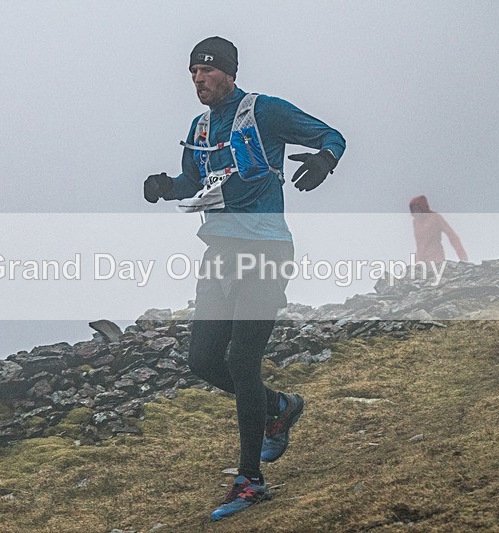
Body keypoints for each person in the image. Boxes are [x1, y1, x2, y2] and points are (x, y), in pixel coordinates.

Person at [143, 36, 345, 521]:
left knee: (241, 358)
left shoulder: (264, 111)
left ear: (229, 73)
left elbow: (331, 135)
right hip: (219, 254)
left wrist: (324, 160)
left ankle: (249, 480)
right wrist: (165, 186)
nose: (198, 79)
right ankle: (280, 407)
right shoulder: (199, 127)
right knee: (203, 360)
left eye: (207, 71)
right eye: (193, 72)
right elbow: (194, 182)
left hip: (266, 250)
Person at [409, 195, 468, 263]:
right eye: (413, 210)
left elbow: (452, 236)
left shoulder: (435, 218)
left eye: (417, 209)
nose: (416, 212)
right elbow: (420, 244)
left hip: (436, 258)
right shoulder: (415, 222)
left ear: (423, 207)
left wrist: (462, 257)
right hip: (420, 260)